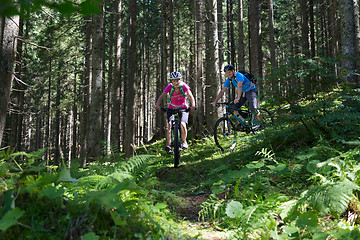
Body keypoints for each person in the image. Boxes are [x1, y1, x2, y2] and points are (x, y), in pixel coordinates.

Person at [155, 71, 196, 152]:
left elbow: (190, 96)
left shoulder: (183, 86)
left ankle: (184, 142)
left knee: (183, 124)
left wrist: (193, 106)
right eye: (174, 81)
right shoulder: (169, 87)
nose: (176, 82)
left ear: (180, 80)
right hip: (172, 108)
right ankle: (169, 145)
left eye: (177, 80)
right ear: (171, 81)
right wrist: (157, 104)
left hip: (183, 108)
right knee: (169, 125)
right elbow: (162, 96)